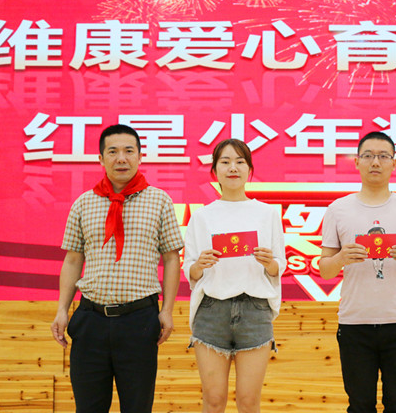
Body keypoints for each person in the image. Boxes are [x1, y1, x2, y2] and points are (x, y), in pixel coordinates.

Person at [50, 124, 184, 413]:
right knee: (88, 407)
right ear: (101, 158)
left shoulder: (159, 201)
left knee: (137, 407)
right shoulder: (84, 203)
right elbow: (72, 260)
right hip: (90, 320)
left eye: (128, 151)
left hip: (139, 321)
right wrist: (62, 309)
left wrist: (167, 310)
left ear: (140, 156)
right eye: (112, 152)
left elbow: (172, 258)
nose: (121, 158)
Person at [319, 131, 396, 413]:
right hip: (355, 323)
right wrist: (341, 258)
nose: (375, 162)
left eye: (383, 156)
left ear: (394, 163)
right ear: (357, 162)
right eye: (368, 156)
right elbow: (325, 269)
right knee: (359, 406)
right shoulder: (338, 209)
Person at [183, 139, 286, 413]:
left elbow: (280, 265)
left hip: (254, 310)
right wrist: (200, 265)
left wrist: (269, 263)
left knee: (249, 402)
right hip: (211, 310)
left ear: (249, 170)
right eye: (225, 162)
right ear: (214, 170)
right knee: (214, 400)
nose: (233, 168)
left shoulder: (267, 213)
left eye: (240, 162)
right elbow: (190, 269)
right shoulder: (202, 216)